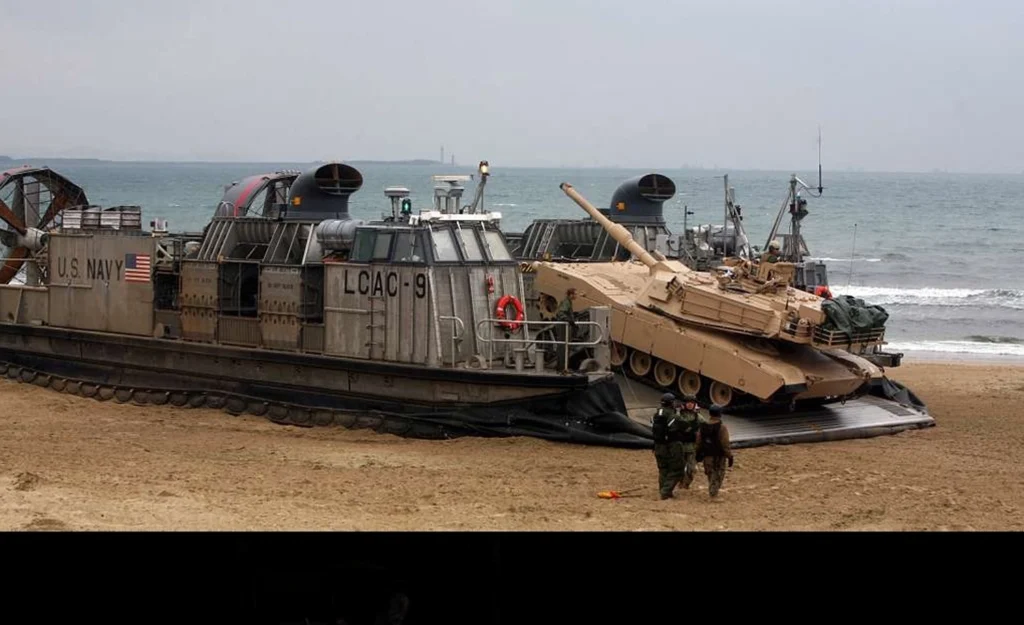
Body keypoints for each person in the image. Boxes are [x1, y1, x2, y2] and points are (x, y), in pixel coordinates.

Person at [651, 392, 690, 499]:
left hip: (658, 445)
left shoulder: (656, 415)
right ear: (671, 403)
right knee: (678, 469)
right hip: (672, 446)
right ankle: (665, 491)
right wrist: (680, 412)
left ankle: (663, 490)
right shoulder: (674, 417)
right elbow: (686, 426)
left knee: (663, 469)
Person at [695, 404, 734, 498]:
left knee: (711, 473)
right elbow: (725, 443)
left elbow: (698, 441)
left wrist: (697, 453)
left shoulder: (703, 427)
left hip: (707, 455)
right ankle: (713, 493)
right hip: (719, 455)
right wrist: (729, 456)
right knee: (719, 474)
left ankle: (712, 490)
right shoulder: (722, 428)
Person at [674, 394, 702, 490]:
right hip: (680, 446)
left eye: (692, 403)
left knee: (692, 468)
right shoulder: (679, 415)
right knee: (679, 467)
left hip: (691, 447)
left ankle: (686, 483)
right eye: (688, 402)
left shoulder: (697, 416)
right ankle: (680, 482)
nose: (690, 405)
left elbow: (705, 425)